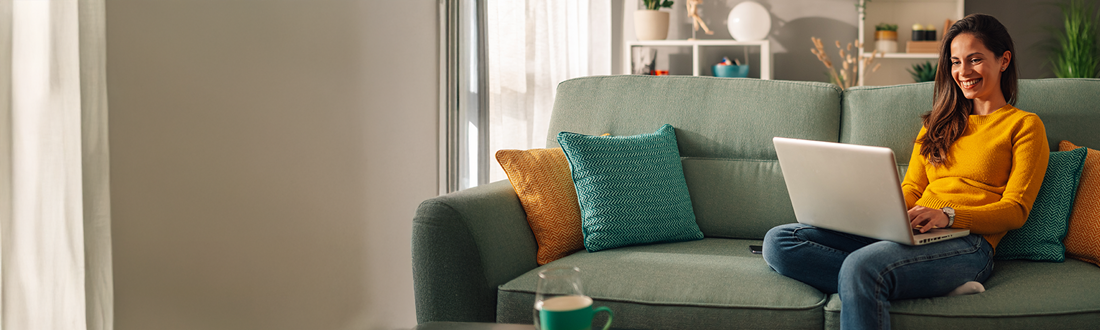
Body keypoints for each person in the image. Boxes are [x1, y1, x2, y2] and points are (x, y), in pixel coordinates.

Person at [762, 13, 1049, 330]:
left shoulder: (1024, 125)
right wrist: (878, 214)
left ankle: (879, 278)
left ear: (1003, 60)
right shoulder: (937, 124)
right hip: (912, 231)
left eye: (975, 59)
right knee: (780, 241)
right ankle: (918, 283)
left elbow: (1015, 210)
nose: (963, 72)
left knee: (862, 267)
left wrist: (948, 216)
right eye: (955, 62)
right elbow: (912, 188)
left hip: (969, 244)